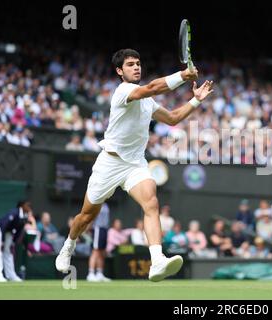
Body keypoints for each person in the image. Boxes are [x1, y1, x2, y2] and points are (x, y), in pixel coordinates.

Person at [55, 49, 214, 282]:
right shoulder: (123, 91)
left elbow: (172, 119)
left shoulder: (147, 102)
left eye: (138, 63)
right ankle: (68, 246)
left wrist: (195, 99)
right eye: (130, 64)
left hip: (135, 164)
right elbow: (151, 88)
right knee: (86, 217)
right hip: (109, 163)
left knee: (151, 202)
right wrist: (182, 75)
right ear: (120, 71)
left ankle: (157, 261)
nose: (136, 67)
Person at [0, 200, 32, 282]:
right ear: (22, 206)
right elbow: (4, 225)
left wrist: (13, 242)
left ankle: (11, 275)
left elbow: (19, 230)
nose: (29, 207)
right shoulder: (14, 213)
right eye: (28, 205)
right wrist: (2, 241)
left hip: (8, 233)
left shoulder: (25, 217)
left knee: (8, 252)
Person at [87, 202, 111, 282]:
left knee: (101, 252)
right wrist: (88, 228)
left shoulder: (106, 205)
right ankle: (91, 274)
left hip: (104, 229)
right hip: (97, 229)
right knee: (95, 251)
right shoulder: (97, 203)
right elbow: (92, 217)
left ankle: (99, 273)